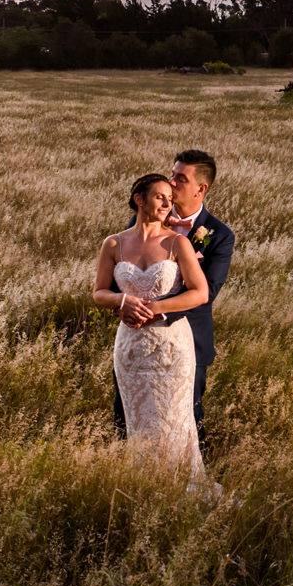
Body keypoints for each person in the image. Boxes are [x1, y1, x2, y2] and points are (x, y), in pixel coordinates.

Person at [114, 150, 234, 455]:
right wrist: (125, 305)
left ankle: (188, 485)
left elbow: (208, 292)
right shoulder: (143, 220)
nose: (172, 182)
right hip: (135, 343)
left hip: (185, 343)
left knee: (185, 421)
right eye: (172, 174)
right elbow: (125, 276)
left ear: (201, 189)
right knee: (127, 416)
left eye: (181, 179)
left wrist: (152, 309)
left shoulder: (219, 235)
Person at [94, 173, 209, 483]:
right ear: (139, 199)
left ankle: (180, 487)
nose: (167, 203)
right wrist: (122, 300)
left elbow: (200, 292)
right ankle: (145, 488)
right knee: (138, 422)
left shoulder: (177, 242)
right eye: (160, 196)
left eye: (169, 200)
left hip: (171, 347)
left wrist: (156, 307)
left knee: (173, 420)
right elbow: (98, 292)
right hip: (131, 349)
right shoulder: (114, 243)